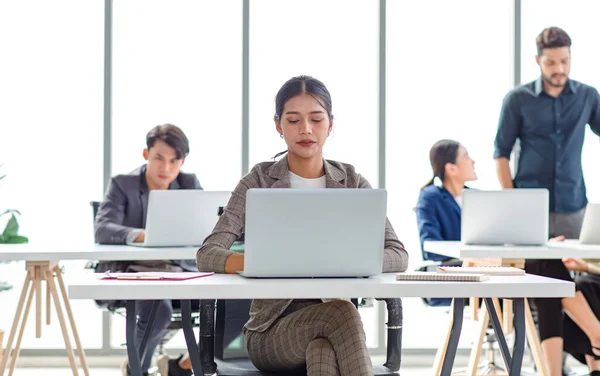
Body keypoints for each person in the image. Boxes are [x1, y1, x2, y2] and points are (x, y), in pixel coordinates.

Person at [196, 75, 409, 376]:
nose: (306, 130)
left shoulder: (351, 182)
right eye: (294, 120)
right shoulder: (258, 181)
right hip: (271, 332)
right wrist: (259, 262)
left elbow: (398, 254)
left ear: (330, 125)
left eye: (316, 119)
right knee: (341, 312)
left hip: (329, 333)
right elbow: (207, 253)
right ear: (278, 125)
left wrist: (350, 261)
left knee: (322, 353)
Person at [494, 26, 600, 376]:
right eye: (552, 62)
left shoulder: (587, 96)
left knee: (566, 281)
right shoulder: (518, 99)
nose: (559, 69)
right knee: (546, 282)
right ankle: (590, 345)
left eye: (565, 61)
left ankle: (564, 365)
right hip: (531, 211)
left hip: (575, 208)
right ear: (538, 60)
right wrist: (513, 207)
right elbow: (501, 155)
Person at [95, 124, 199, 376]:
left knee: (235, 303)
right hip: (136, 270)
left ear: (182, 161)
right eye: (159, 158)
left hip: (180, 270)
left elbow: (202, 227)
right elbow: (103, 228)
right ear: (146, 155)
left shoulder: (189, 183)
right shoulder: (123, 184)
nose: (166, 168)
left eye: (175, 161)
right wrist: (140, 235)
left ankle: (184, 365)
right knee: (158, 308)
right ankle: (138, 367)